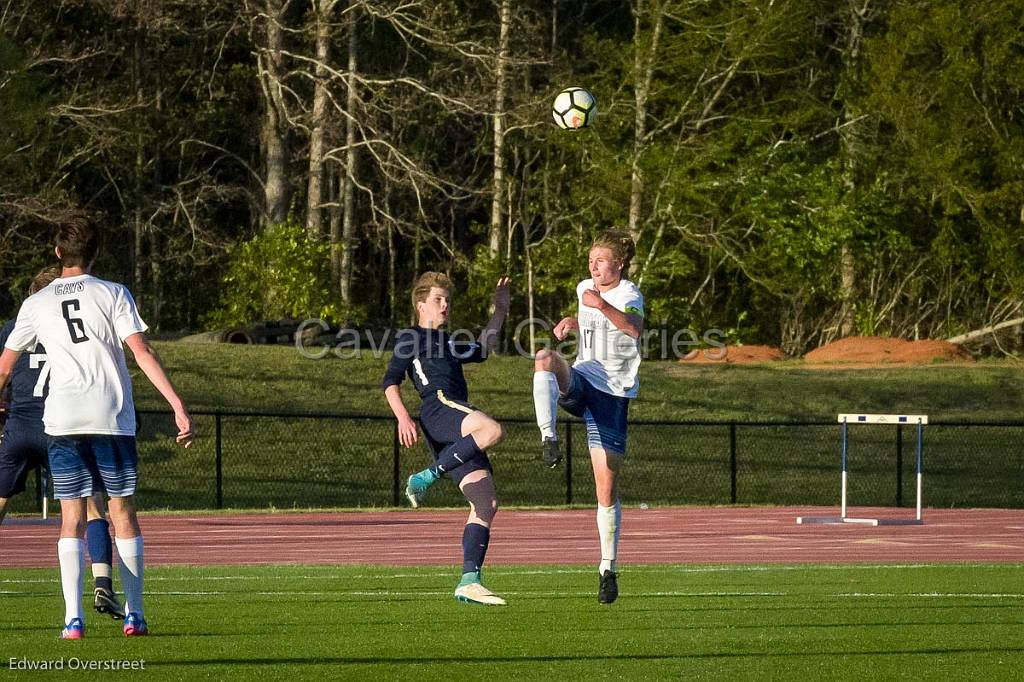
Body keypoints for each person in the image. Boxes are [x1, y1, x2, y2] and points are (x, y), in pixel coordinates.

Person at [0, 215, 194, 639]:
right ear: (96, 252)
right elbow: (141, 352)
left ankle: (73, 620)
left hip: (62, 419)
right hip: (111, 416)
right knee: (121, 513)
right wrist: (177, 405)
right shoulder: (113, 293)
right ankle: (135, 615)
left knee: (70, 518)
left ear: (57, 253)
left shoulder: (35, 304)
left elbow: (4, 368)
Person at [0, 267, 125, 620]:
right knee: (91, 508)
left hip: (19, 428)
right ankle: (102, 581)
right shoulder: (74, 328)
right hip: (60, 426)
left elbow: (4, 370)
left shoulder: (14, 327)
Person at [383, 272, 510, 606]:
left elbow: (483, 349)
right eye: (438, 299)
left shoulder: (450, 341)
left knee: (485, 503)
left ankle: (469, 580)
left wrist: (500, 310)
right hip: (440, 408)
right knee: (492, 430)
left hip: (454, 418)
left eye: (447, 299)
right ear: (421, 304)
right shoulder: (411, 337)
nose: (445, 304)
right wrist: (402, 416)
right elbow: (390, 382)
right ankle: (425, 477)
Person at [532, 230, 644, 604]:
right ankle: (548, 437)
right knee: (545, 358)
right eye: (591, 259)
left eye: (600, 259)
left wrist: (600, 306)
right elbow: (592, 325)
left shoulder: (629, 295)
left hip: (611, 396)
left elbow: (632, 329)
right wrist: (571, 322)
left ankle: (607, 568)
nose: (593, 265)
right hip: (583, 380)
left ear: (619, 263)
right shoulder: (585, 288)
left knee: (605, 492)